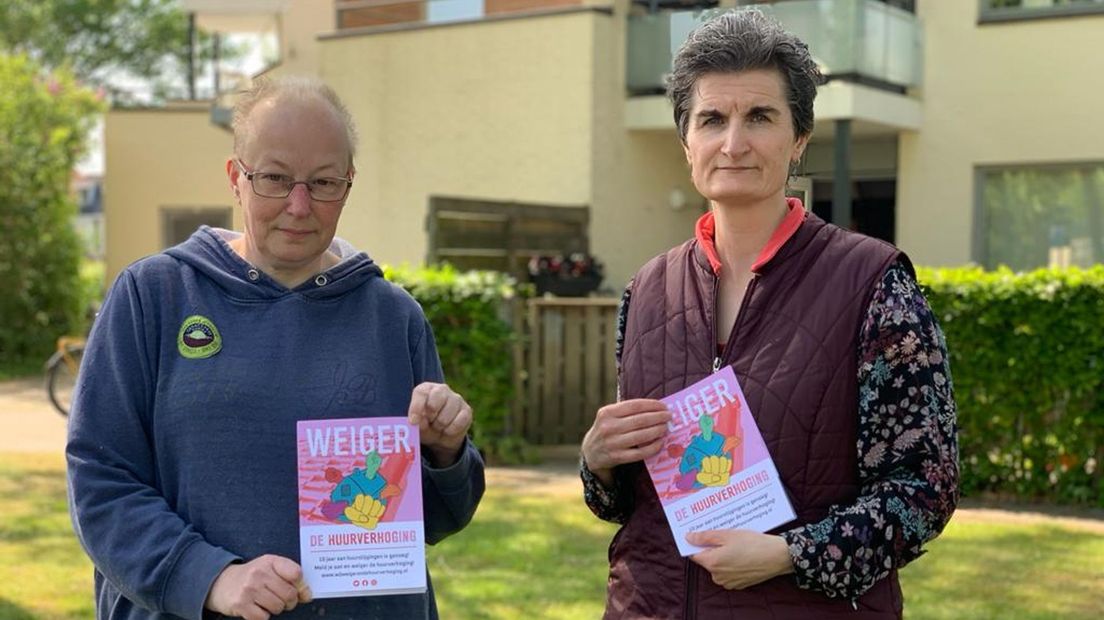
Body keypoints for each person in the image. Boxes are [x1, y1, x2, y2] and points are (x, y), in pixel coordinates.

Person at [579, 10, 958, 619]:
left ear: (799, 138)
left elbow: (925, 487)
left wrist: (792, 555)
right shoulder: (646, 290)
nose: (733, 143)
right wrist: (598, 460)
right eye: (711, 120)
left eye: (759, 117)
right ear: (686, 142)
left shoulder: (874, 283)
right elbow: (630, 501)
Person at [66, 76, 485, 620]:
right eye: (275, 178)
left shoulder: (392, 316)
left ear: (349, 183)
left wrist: (445, 454)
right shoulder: (155, 296)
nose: (299, 204)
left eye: (324, 182)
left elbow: (434, 519)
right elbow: (101, 479)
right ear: (235, 178)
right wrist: (209, 576)